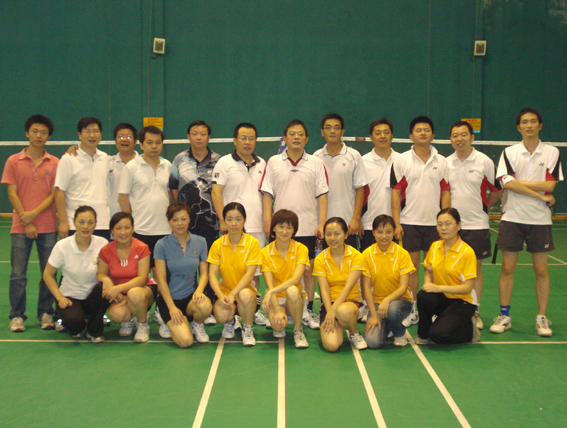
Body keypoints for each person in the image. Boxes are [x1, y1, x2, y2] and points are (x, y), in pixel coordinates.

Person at [490, 108, 563, 337]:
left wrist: (517, 182)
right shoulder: (509, 153)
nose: (529, 125)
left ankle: (541, 317)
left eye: (533, 122)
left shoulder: (551, 152)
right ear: (518, 127)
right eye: (524, 122)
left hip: (539, 220)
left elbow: (550, 185)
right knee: (507, 268)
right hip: (512, 218)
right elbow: (507, 184)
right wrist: (541, 195)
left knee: (541, 270)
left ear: (540, 125)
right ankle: (504, 316)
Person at [261, 119, 328, 330]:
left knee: (307, 272)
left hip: (308, 226)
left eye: (300, 134)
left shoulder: (316, 163)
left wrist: (322, 223)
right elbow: (267, 194)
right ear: (285, 138)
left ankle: (307, 309)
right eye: (292, 134)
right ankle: (279, 306)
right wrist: (267, 221)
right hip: (281, 229)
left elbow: (322, 195)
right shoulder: (273, 162)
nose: (296, 137)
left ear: (306, 139)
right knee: (279, 270)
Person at [391, 115, 450, 326]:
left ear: (433, 135)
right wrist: (397, 223)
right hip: (410, 222)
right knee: (413, 268)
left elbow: (445, 192)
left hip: (435, 225)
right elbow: (396, 193)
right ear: (411, 136)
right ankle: (412, 308)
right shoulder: (402, 161)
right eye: (418, 130)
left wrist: (445, 222)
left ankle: (433, 310)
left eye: (426, 130)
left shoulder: (442, 161)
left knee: (435, 268)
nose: (423, 133)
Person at [2, 114, 59, 332]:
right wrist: (26, 220)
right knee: (18, 275)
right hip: (20, 227)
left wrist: (33, 214)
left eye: (43, 132)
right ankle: (17, 316)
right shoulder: (13, 161)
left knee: (48, 272)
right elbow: (12, 193)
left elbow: (54, 195)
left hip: (48, 227)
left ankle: (45, 313)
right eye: (35, 131)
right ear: (27, 133)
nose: (38, 135)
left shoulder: (55, 163)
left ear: (49, 136)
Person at [211, 122, 268, 326]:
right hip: (233, 228)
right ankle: (231, 311)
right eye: (243, 138)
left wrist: (267, 221)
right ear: (235, 140)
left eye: (251, 138)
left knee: (255, 274)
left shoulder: (262, 163)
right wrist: (223, 221)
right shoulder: (224, 163)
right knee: (229, 272)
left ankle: (252, 311)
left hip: (257, 228)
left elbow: (266, 195)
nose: (247, 142)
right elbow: (216, 193)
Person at [447, 120, 502, 330]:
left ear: (472, 137)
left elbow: (497, 189)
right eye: (455, 135)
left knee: (475, 271)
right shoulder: (446, 163)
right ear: (450, 139)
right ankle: (451, 309)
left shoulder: (484, 161)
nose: (459, 139)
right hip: (452, 228)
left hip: (477, 225)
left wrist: (485, 206)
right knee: (450, 269)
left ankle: (474, 310)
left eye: (464, 135)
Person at [170, 120, 221, 325]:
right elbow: (174, 188)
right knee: (188, 265)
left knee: (208, 265)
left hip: (211, 223)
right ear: (188, 136)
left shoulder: (218, 160)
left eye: (203, 133)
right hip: (186, 225)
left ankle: (207, 305)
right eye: (195, 133)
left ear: (208, 137)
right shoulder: (179, 159)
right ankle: (187, 305)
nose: (199, 137)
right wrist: (181, 214)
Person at [43, 206, 108, 342]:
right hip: (70, 297)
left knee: (104, 287)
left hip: (94, 297)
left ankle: (94, 327)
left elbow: (108, 271)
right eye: (81, 222)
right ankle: (78, 321)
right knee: (75, 326)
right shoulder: (62, 246)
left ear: (95, 224)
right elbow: (48, 274)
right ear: (74, 222)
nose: (86, 226)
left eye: (90, 222)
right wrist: (60, 298)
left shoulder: (102, 243)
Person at [416, 208, 479, 345]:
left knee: (438, 335)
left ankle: (469, 330)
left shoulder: (467, 252)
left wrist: (438, 288)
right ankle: (423, 335)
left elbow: (467, 288)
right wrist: (427, 284)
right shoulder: (435, 246)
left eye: (448, 224)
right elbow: (429, 272)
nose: (443, 228)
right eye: (440, 224)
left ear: (459, 225)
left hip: (462, 301)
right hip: (443, 297)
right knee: (423, 296)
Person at [154, 202, 212, 347]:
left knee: (205, 306)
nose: (180, 223)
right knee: (186, 341)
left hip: (190, 298)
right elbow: (161, 280)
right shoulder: (161, 245)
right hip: (169, 300)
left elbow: (204, 274)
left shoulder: (200, 242)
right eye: (175, 220)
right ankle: (167, 321)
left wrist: (199, 291)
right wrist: (172, 308)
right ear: (169, 221)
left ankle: (197, 324)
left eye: (183, 219)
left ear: (189, 220)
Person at [97, 212, 157, 343]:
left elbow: (142, 278)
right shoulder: (106, 250)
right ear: (112, 231)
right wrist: (107, 280)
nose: (123, 232)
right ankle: (130, 318)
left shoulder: (142, 248)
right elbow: (100, 273)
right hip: (120, 293)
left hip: (143, 290)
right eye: (118, 228)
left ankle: (142, 324)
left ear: (133, 228)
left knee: (134, 294)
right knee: (117, 314)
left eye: (127, 227)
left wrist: (118, 289)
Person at [207, 203, 261, 346]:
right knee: (221, 314)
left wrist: (233, 294)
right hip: (225, 293)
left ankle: (247, 328)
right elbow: (212, 274)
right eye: (229, 219)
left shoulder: (252, 243)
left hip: (247, 294)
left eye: (238, 219)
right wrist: (221, 295)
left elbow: (250, 274)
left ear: (244, 220)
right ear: (224, 221)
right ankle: (230, 321)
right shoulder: (217, 244)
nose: (234, 223)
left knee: (245, 294)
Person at [118, 125, 172, 269]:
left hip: (165, 231)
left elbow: (170, 195)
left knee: (163, 275)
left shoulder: (168, 166)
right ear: (141, 144)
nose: (154, 146)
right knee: (142, 275)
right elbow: (122, 198)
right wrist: (130, 225)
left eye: (158, 142)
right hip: (140, 230)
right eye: (149, 142)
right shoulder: (131, 167)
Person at [313, 217, 367, 352]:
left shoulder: (356, 256)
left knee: (343, 311)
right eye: (329, 234)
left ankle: (353, 332)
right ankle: (339, 325)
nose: (332, 238)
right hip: (329, 303)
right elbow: (324, 289)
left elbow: (348, 287)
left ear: (346, 235)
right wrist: (329, 311)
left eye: (337, 234)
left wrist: (333, 311)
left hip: (351, 303)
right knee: (331, 346)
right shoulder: (320, 259)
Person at [314, 113, 367, 249]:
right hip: (323, 224)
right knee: (324, 261)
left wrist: (356, 219)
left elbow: (360, 190)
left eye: (336, 128)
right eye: (328, 127)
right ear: (322, 132)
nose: (332, 131)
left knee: (349, 261)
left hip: (347, 224)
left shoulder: (354, 155)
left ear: (342, 132)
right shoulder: (316, 157)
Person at [362, 215, 415, 348]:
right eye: (380, 232)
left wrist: (387, 300)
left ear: (393, 233)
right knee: (373, 343)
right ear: (373, 232)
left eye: (388, 232)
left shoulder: (402, 254)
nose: (384, 236)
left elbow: (403, 287)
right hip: (377, 303)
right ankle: (388, 326)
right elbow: (366, 288)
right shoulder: (366, 254)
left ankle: (399, 332)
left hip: (400, 301)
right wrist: (373, 315)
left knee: (392, 309)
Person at [54, 117, 110, 240]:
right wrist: (63, 222)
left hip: (103, 223)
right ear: (79, 135)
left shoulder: (105, 158)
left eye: (95, 131)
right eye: (87, 131)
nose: (92, 135)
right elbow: (59, 191)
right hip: (76, 224)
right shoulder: (68, 159)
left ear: (100, 135)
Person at [261, 209, 310, 348]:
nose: (284, 231)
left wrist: (270, 292)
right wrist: (277, 309)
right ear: (274, 228)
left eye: (289, 227)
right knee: (278, 327)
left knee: (292, 290)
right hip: (276, 298)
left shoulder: (301, 249)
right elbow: (270, 285)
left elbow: (295, 279)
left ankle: (298, 329)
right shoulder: (265, 252)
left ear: (294, 230)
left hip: (294, 297)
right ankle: (282, 316)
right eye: (281, 227)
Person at [360, 118, 399, 252]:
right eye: (378, 133)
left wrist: (399, 224)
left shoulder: (402, 160)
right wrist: (358, 219)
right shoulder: (362, 162)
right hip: (368, 224)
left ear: (392, 136)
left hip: (396, 226)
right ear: (371, 138)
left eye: (386, 132)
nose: (382, 136)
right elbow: (358, 194)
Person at [108, 123, 139, 216]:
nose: (125, 139)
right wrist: (75, 149)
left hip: (139, 217)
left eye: (129, 137)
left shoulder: (144, 163)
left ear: (135, 141)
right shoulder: (107, 162)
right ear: (115, 141)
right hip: (113, 216)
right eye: (120, 137)